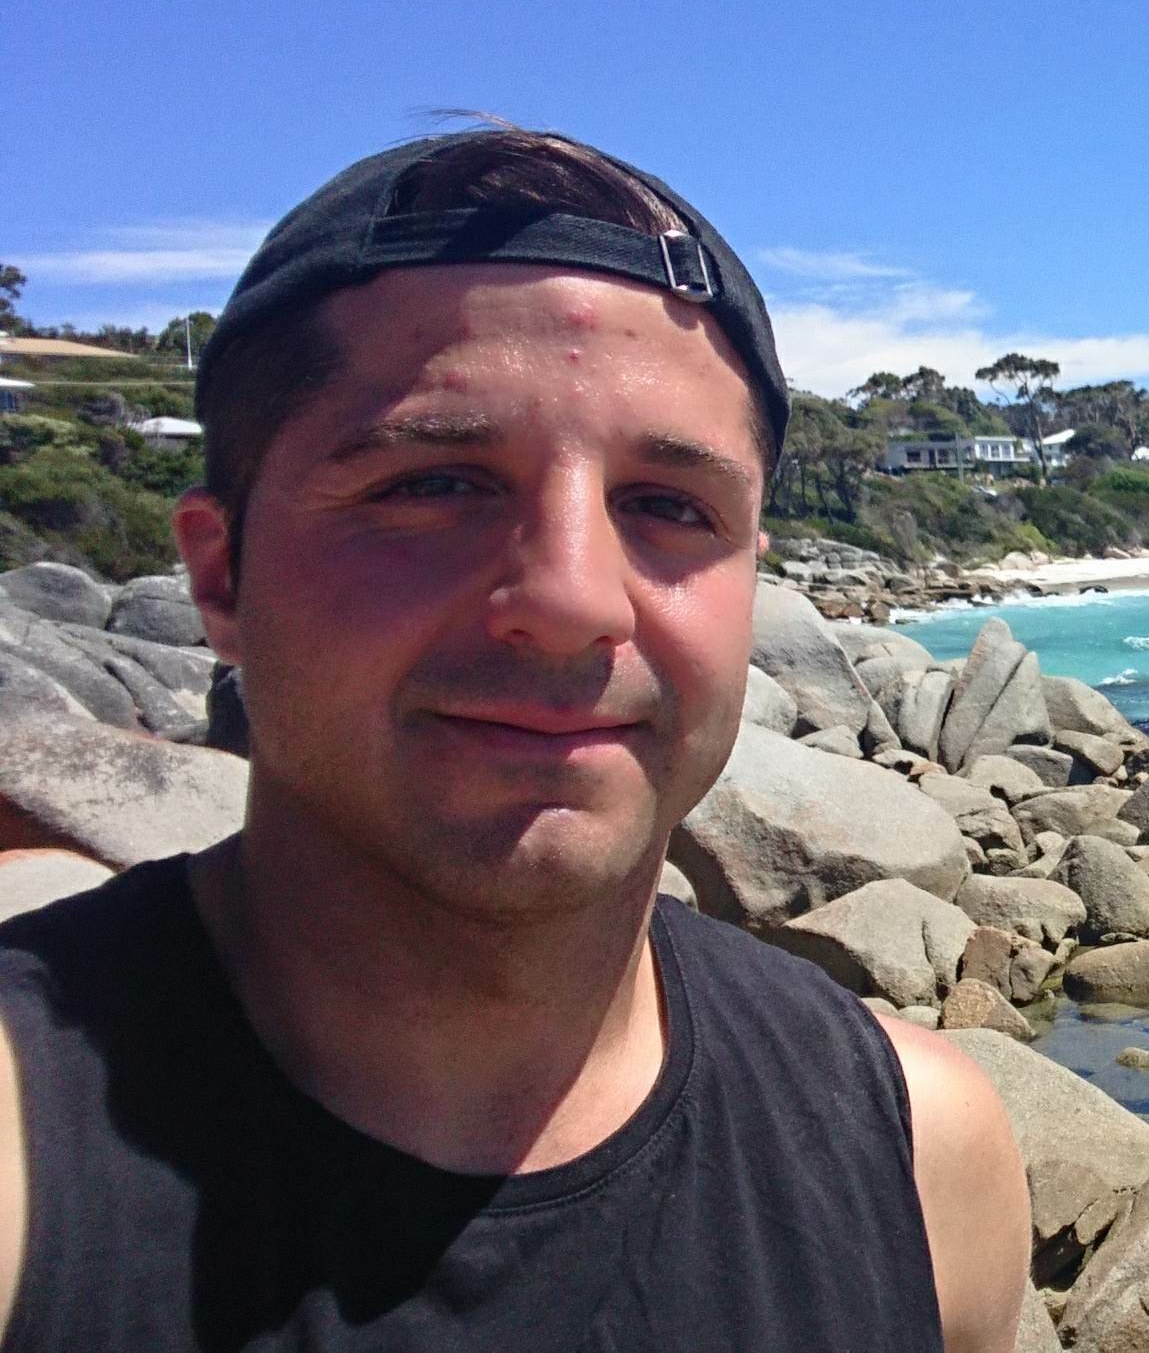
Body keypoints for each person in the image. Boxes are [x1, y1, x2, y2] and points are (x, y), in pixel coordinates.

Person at [0, 127, 1031, 1350]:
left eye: (668, 506)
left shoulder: (919, 1158)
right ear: (221, 577)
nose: (574, 599)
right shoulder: (26, 1154)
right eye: (435, 484)